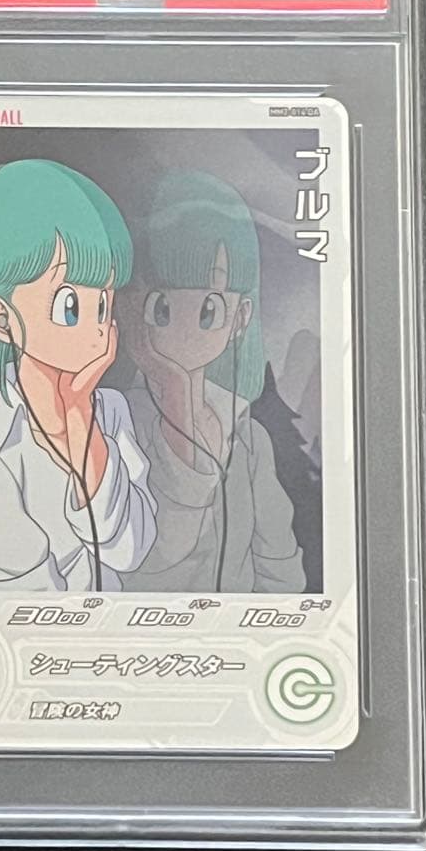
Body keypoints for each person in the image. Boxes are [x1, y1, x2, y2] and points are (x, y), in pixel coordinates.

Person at [0, 159, 157, 592]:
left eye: (103, 305)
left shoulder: (110, 412)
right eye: (70, 306)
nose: (98, 328)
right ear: (2, 318)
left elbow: (130, 551)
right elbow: (24, 590)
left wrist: (79, 418)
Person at [117, 171, 305, 593]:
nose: (183, 329)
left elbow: (279, 563)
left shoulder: (249, 438)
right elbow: (157, 552)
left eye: (208, 309)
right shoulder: (118, 427)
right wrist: (175, 389)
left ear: (240, 318)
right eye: (161, 307)